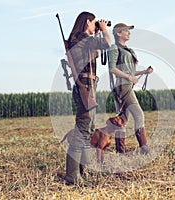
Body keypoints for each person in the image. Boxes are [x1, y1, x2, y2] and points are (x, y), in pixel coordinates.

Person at [64, 11, 111, 185]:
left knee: (88, 127)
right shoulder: (81, 37)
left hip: (88, 84)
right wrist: (105, 30)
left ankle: (80, 171)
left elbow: (95, 52)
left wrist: (96, 33)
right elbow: (107, 44)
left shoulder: (81, 39)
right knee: (83, 128)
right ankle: (72, 176)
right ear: (88, 22)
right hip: (85, 85)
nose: (96, 25)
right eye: (94, 23)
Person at [108, 23, 153, 155]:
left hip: (125, 85)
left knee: (123, 119)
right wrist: (129, 77)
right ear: (118, 33)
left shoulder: (126, 49)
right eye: (126, 31)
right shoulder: (114, 48)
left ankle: (120, 152)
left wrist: (144, 72)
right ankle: (144, 150)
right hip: (122, 86)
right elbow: (112, 68)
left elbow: (130, 71)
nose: (129, 33)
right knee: (139, 114)